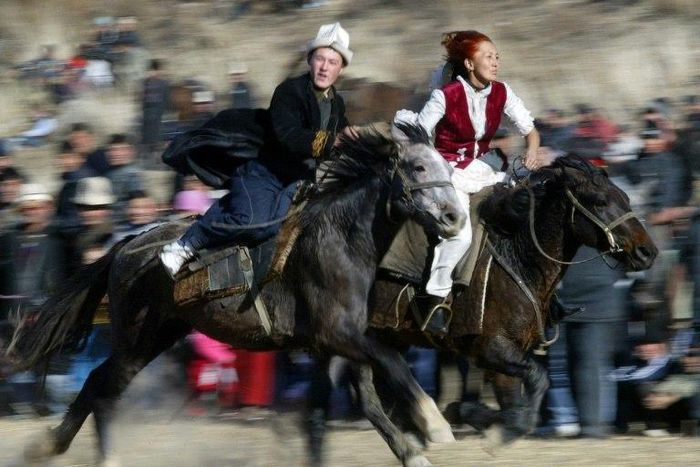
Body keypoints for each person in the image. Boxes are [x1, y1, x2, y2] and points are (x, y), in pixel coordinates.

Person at [160, 22, 355, 276]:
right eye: (320, 58)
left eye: (332, 61)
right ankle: (188, 242)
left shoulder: (337, 104)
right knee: (259, 224)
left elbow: (346, 140)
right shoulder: (289, 91)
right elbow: (289, 136)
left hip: (299, 181)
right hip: (264, 174)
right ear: (310, 60)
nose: (325, 67)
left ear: (341, 68)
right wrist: (334, 141)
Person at [393, 30, 546, 334]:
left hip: (486, 170)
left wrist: (532, 151)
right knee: (460, 235)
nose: (495, 61)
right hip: (449, 174)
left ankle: (539, 299)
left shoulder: (503, 92)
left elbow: (531, 130)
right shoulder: (444, 96)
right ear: (469, 63)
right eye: (488, 56)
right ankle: (435, 297)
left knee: (525, 218)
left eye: (497, 56)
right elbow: (421, 137)